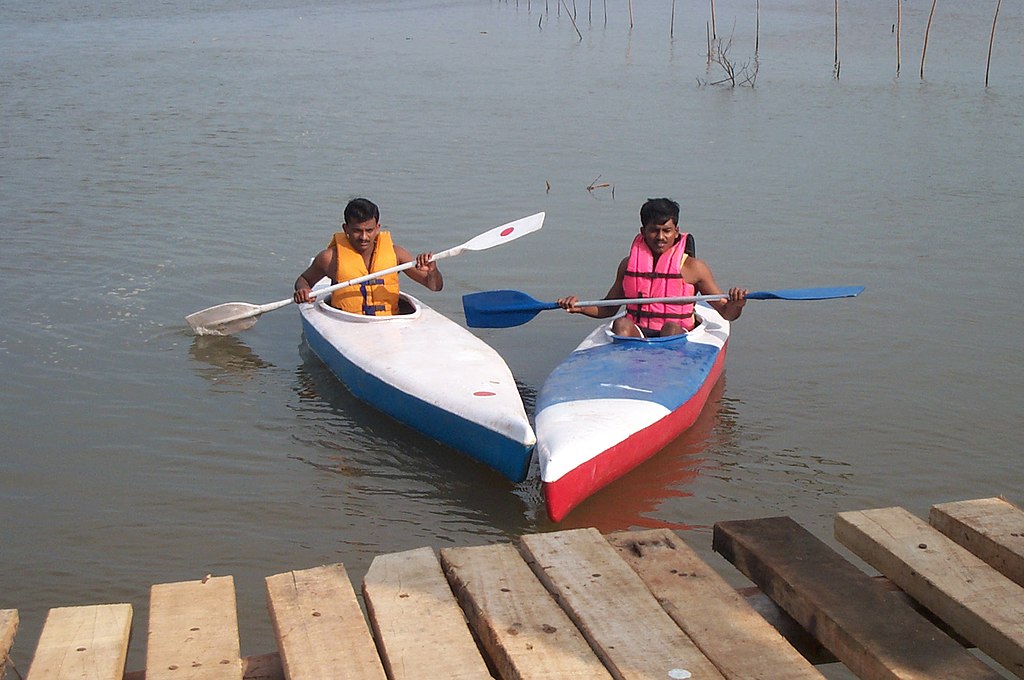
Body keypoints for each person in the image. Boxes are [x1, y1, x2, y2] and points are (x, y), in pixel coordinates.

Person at [557, 197, 747, 337]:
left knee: (670, 328)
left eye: (667, 231)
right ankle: (625, 375)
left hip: (676, 340)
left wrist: (737, 304)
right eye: (654, 230)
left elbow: (726, 313)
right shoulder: (627, 265)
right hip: (636, 336)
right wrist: (578, 307)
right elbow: (607, 309)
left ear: (676, 232)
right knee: (620, 324)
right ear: (643, 232)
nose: (661, 237)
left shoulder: (694, 267)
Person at [293, 197, 443, 314]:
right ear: (346, 229)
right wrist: (303, 290)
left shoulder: (397, 254)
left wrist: (432, 272)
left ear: (377, 228)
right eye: (357, 230)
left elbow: (435, 287)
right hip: (347, 322)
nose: (364, 237)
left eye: (369, 230)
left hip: (389, 324)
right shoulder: (329, 258)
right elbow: (303, 280)